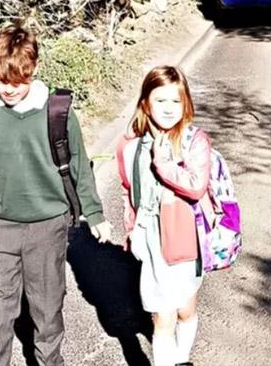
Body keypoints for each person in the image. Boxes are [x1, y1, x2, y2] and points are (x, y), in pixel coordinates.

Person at [0, 18, 112, 366]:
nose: (9, 89)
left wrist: (96, 213)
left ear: (34, 68)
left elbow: (78, 164)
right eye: (1, 81)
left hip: (48, 225)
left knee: (46, 311)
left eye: (18, 80)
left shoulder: (57, 110)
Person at [115, 65, 216, 366]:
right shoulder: (129, 143)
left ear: (186, 104)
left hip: (183, 237)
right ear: (145, 102)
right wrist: (131, 227)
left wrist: (162, 162)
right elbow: (126, 187)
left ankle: (181, 358)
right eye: (161, 100)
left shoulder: (193, 140)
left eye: (176, 101)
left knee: (185, 309)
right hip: (150, 238)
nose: (169, 109)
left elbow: (196, 187)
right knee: (163, 316)